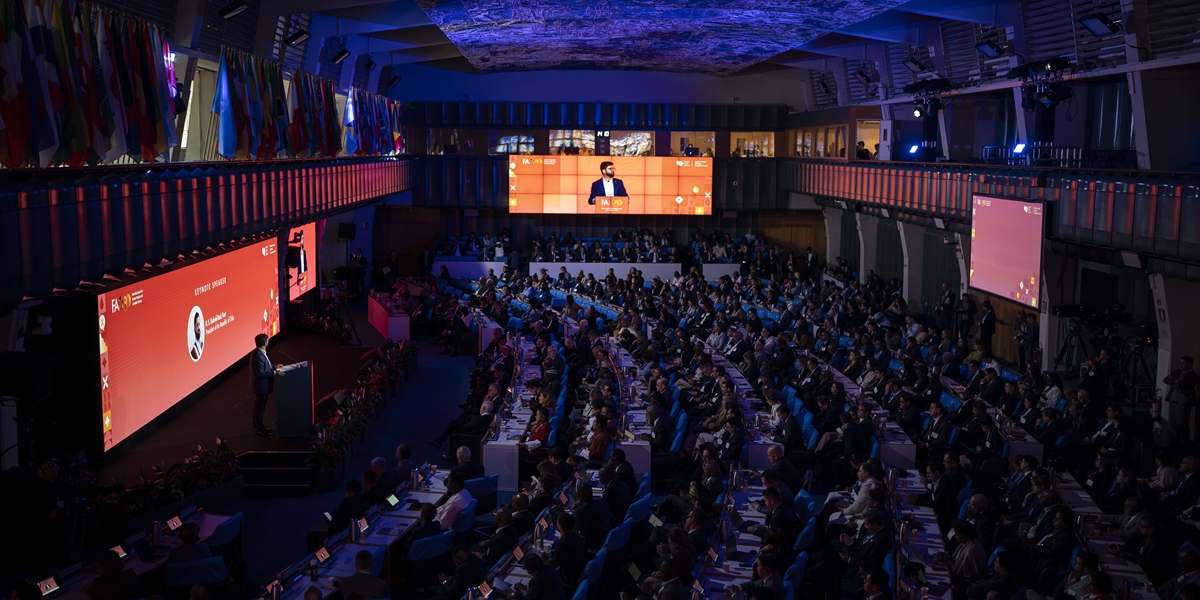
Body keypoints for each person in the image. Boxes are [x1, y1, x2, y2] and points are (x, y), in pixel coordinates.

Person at [249, 333, 282, 436]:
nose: (269, 342)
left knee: (259, 408)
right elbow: (261, 373)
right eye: (268, 340)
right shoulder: (258, 355)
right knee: (259, 408)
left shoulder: (259, 352)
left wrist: (275, 366)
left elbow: (266, 365)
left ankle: (259, 427)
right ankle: (260, 429)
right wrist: (275, 373)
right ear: (264, 343)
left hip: (262, 386)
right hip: (261, 387)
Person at [1164, 356, 1197, 443]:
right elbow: (1166, 380)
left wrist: (1172, 380)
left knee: (1182, 425)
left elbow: (1180, 384)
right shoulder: (1177, 372)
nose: (1181, 365)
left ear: (1189, 365)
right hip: (1172, 401)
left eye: (1183, 363)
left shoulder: (1192, 375)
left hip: (1182, 403)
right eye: (1180, 363)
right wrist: (1174, 381)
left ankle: (1184, 445)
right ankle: (1175, 443)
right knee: (1173, 425)